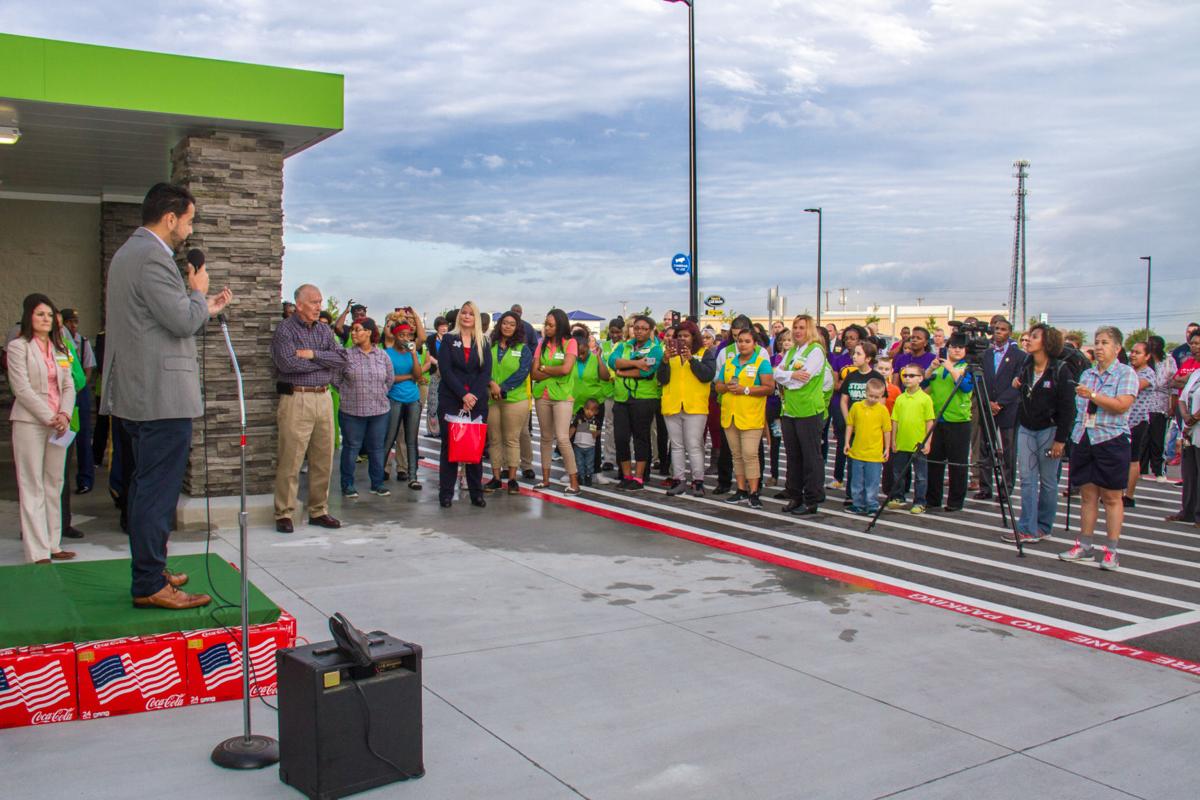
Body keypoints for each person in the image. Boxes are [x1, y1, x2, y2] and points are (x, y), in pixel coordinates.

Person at [102, 183, 231, 609]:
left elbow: (159, 318)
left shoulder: (128, 254)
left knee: (144, 487)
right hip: (159, 394)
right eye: (189, 220)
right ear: (170, 217)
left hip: (139, 392)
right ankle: (149, 584)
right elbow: (179, 320)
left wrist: (203, 306)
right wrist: (197, 293)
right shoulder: (151, 257)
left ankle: (152, 569)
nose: (189, 231)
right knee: (156, 491)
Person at [1059, 326, 1139, 571]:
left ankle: (1112, 550)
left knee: (1113, 497)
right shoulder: (1088, 374)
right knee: (1087, 494)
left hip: (1111, 438)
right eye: (1097, 342)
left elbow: (1122, 405)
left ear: (1117, 348)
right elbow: (1079, 408)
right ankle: (1085, 544)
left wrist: (1093, 395)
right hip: (1085, 436)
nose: (1099, 347)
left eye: (1105, 342)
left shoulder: (1125, 374)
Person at [271, 283, 347, 533]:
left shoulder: (324, 330)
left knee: (323, 457)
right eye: (314, 302)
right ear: (299, 304)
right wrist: (322, 363)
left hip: (323, 398)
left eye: (320, 301)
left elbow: (341, 358)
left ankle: (319, 510)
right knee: (291, 458)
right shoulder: (285, 330)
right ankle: (284, 512)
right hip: (297, 398)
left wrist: (312, 355)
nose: (319, 307)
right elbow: (288, 363)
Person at [7, 295, 77, 563]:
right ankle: (37, 551)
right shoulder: (18, 347)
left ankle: (53, 543)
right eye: (40, 314)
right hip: (30, 423)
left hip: (58, 424)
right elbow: (21, 388)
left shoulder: (61, 349)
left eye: (49, 315)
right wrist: (50, 416)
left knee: (54, 483)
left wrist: (64, 414)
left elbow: (69, 385)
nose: (46, 319)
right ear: (29, 317)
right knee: (32, 483)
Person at [1009, 324, 1075, 543]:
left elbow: (1068, 408)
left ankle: (1043, 526)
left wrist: (1060, 440)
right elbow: (1023, 388)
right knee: (1027, 479)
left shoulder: (1060, 369)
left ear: (1046, 343)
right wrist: (1017, 383)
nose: (1028, 340)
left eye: (1034, 337)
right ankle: (1026, 526)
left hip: (1050, 429)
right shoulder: (1027, 365)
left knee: (1047, 481)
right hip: (1027, 427)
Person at [437, 301, 493, 507]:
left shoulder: (484, 342)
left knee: (474, 448)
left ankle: (476, 493)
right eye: (464, 313)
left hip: (476, 402)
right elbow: (446, 370)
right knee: (449, 447)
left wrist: (473, 396)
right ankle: (446, 493)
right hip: (451, 399)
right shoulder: (449, 340)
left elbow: (485, 372)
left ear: (476, 318)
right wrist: (463, 395)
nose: (467, 316)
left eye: (471, 313)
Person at [775, 315, 830, 515]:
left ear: (810, 330)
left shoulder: (815, 351)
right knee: (793, 457)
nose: (798, 331)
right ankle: (795, 496)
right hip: (789, 411)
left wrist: (787, 377)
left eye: (802, 327)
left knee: (810, 457)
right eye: (795, 327)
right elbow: (776, 373)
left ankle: (811, 499)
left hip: (808, 411)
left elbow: (802, 380)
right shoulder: (791, 352)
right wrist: (789, 375)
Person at [714, 328, 775, 507]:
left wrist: (745, 390)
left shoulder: (761, 363)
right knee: (737, 455)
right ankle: (740, 489)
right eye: (740, 341)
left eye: (747, 341)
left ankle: (754, 492)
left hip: (751, 416)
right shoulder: (730, 362)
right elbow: (718, 385)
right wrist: (726, 387)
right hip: (731, 415)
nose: (742, 344)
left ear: (755, 344)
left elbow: (769, 388)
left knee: (750, 454)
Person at [334, 318, 393, 499]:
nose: (353, 333)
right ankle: (347, 485)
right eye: (352, 330)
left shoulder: (382, 355)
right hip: (352, 410)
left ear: (368, 332)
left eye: (358, 329)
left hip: (379, 410)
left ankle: (377, 484)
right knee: (351, 447)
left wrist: (378, 393)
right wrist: (347, 393)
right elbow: (336, 378)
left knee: (376, 448)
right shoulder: (346, 355)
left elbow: (389, 379)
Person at [657, 320, 715, 496]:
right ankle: (678, 479)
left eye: (686, 336)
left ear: (693, 337)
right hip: (672, 404)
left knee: (694, 445)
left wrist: (691, 359)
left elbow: (707, 376)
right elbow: (662, 379)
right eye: (679, 336)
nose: (682, 339)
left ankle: (698, 481)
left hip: (695, 406)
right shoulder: (669, 354)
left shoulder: (705, 353)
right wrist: (665, 361)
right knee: (676, 445)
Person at [607, 315, 664, 489]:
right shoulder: (623, 346)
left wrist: (624, 371)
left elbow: (647, 372)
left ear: (651, 330)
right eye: (636, 327)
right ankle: (626, 475)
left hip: (644, 399)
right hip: (622, 398)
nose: (639, 331)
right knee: (621, 437)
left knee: (641, 438)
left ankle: (639, 477)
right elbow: (612, 361)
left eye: (644, 328)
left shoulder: (655, 349)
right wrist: (636, 363)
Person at [530, 309, 580, 494]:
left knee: (562, 438)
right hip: (542, 395)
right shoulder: (541, 344)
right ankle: (545, 480)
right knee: (545, 438)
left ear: (560, 326)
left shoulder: (570, 343)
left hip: (562, 397)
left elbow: (566, 369)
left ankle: (575, 482)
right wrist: (551, 369)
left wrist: (544, 367)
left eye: (551, 325)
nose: (547, 328)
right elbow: (533, 373)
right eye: (546, 324)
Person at [976, 316, 1026, 501]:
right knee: (985, 447)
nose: (998, 332)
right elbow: (979, 379)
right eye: (996, 328)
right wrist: (988, 401)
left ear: (1010, 333)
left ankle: (1006, 489)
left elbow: (1019, 383)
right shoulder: (986, 354)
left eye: (1003, 329)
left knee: (1007, 450)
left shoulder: (1019, 356)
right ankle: (985, 487)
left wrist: (1001, 403)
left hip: (1008, 408)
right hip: (987, 405)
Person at [484, 311, 532, 495]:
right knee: (495, 439)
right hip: (491, 398)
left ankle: (512, 479)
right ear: (500, 325)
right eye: (505, 323)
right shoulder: (490, 345)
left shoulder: (523, 348)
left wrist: (502, 388)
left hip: (514, 399)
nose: (508, 326)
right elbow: (482, 367)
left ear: (517, 327)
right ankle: (496, 478)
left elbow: (522, 373)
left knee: (512, 439)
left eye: (512, 324)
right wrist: (492, 384)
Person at [924, 337, 975, 512]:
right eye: (953, 347)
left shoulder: (966, 368)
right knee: (934, 461)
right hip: (938, 419)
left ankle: (955, 501)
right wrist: (930, 369)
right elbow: (924, 386)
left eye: (961, 347)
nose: (957, 350)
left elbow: (966, 388)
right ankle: (933, 499)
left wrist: (951, 369)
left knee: (957, 464)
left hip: (959, 421)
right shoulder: (939, 368)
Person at [382, 310, 427, 484]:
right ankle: (379, 474)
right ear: (394, 336)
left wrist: (414, 354)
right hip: (394, 399)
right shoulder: (387, 353)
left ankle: (413, 477)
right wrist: (410, 377)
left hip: (413, 399)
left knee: (411, 439)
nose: (406, 338)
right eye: (402, 335)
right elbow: (390, 378)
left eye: (408, 335)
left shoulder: (411, 352)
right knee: (390, 437)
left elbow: (417, 374)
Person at [886, 365, 936, 513]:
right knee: (898, 473)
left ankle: (920, 501)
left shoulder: (925, 399)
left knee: (920, 476)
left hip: (918, 444)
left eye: (911, 375)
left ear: (921, 378)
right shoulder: (900, 398)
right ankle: (898, 497)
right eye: (905, 375)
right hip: (902, 442)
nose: (907, 378)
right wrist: (893, 440)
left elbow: (929, 422)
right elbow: (895, 420)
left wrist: (928, 442)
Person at [59, 308, 96, 494]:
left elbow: (87, 369)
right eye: (68, 322)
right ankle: (61, 479)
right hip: (62, 396)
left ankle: (85, 479)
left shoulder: (81, 342)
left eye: (75, 322)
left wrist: (77, 387)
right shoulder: (57, 344)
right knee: (64, 438)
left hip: (78, 393)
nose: (72, 326)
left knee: (82, 436)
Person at [844, 378, 891, 515]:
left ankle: (872, 505)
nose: (873, 399)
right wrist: (847, 442)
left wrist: (887, 448)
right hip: (857, 451)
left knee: (872, 481)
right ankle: (858, 504)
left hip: (874, 454)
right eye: (871, 395)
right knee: (857, 481)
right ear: (865, 393)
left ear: (882, 396)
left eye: (877, 397)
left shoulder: (882, 410)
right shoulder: (856, 407)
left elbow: (886, 430)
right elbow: (850, 425)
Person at [570, 324, 612, 478]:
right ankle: (574, 471)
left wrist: (599, 359)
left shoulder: (595, 359)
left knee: (594, 437)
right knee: (573, 438)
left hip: (593, 406)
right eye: (578, 353)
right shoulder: (570, 360)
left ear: (588, 347)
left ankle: (595, 471)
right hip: (575, 406)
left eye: (584, 352)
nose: (581, 356)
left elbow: (605, 376)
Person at [827, 324, 865, 490]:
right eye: (847, 338)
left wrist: (847, 383)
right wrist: (849, 384)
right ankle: (838, 477)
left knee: (860, 441)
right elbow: (835, 384)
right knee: (843, 440)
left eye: (853, 338)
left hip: (861, 405)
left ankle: (855, 480)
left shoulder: (865, 359)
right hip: (840, 404)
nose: (849, 341)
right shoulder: (839, 360)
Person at [1168, 364, 1200, 527]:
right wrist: (1187, 418)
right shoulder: (1195, 374)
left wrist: (1193, 418)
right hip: (1189, 429)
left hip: (1195, 425)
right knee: (1189, 473)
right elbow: (1182, 398)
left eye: (1198, 344)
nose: (1194, 347)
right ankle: (1188, 511)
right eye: (1193, 343)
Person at [1141, 335, 1173, 482]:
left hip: (1160, 406)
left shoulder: (1168, 361)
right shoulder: (1146, 362)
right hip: (1144, 406)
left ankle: (1159, 471)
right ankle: (1141, 468)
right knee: (1143, 438)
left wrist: (1172, 405)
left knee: (1157, 440)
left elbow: (1172, 384)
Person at [600, 318, 624, 472]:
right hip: (607, 391)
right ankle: (609, 457)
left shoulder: (627, 345)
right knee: (609, 426)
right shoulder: (604, 346)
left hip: (623, 391)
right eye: (612, 332)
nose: (614, 335)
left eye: (618, 332)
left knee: (623, 427)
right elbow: (601, 363)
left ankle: (623, 457)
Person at [424, 315, 450, 437]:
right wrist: (438, 363)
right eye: (441, 326)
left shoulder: (451, 338)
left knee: (445, 401)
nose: (444, 328)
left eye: (445, 326)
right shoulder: (431, 339)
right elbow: (428, 354)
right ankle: (432, 430)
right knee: (433, 401)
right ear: (437, 327)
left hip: (448, 373)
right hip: (435, 371)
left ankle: (443, 429)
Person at [570, 398, 603, 487]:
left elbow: (596, 434)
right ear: (584, 409)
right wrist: (568, 437)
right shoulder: (579, 418)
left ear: (596, 412)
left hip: (590, 446)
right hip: (578, 445)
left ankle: (589, 477)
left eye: (592, 410)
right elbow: (573, 428)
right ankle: (580, 476)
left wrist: (593, 427)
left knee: (589, 463)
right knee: (579, 463)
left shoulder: (595, 421)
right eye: (587, 409)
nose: (589, 412)